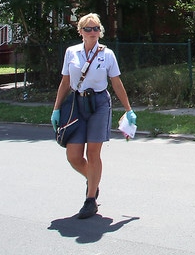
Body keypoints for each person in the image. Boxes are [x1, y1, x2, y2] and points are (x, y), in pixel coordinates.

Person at [51, 13, 137, 219]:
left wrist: (129, 110)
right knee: (73, 156)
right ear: (80, 31)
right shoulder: (71, 52)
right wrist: (56, 109)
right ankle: (92, 180)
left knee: (93, 153)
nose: (92, 33)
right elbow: (65, 82)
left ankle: (90, 201)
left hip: (99, 104)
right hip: (76, 104)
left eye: (96, 29)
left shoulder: (107, 54)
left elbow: (116, 82)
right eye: (88, 29)